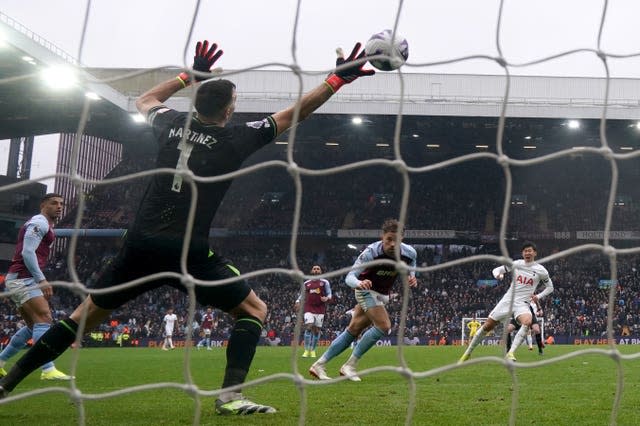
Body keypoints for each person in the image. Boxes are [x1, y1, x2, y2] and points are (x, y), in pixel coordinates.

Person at [0, 38, 374, 415]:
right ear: (229, 111)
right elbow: (295, 114)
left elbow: (144, 100)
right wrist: (336, 81)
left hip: (139, 245)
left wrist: (187, 75)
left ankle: (6, 384)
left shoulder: (170, 124)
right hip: (187, 251)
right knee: (254, 311)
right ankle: (230, 396)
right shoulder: (233, 140)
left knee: (79, 319)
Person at [309, 219, 417, 381]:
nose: (392, 244)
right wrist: (360, 283)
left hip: (382, 294)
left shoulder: (409, 253)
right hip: (365, 291)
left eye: (396, 240)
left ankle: (319, 365)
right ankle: (350, 366)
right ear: (382, 237)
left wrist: (412, 276)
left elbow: (413, 264)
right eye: (389, 239)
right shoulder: (370, 253)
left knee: (353, 330)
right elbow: (349, 277)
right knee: (384, 326)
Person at [0, 193, 72, 381]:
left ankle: (0, 363)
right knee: (44, 318)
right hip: (24, 278)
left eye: (61, 203)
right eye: (54, 203)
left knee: (33, 326)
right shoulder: (39, 222)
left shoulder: (45, 224)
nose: (59, 206)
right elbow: (27, 252)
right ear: (43, 205)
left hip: (21, 278)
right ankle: (48, 369)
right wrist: (41, 279)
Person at [459, 241, 553, 363]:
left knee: (527, 321)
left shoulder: (541, 270)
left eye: (530, 251)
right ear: (522, 253)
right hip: (508, 300)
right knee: (488, 326)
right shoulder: (516, 264)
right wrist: (498, 275)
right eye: (525, 251)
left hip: (523, 304)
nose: (527, 253)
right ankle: (468, 353)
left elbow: (550, 287)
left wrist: (538, 296)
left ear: (535, 253)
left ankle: (511, 353)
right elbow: (496, 270)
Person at [294, 265, 332, 358]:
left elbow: (329, 294)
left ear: (320, 271)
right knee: (309, 326)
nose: (316, 270)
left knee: (316, 331)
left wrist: (327, 298)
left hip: (320, 309)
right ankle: (306, 350)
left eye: (318, 269)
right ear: (311, 271)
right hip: (309, 308)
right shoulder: (307, 283)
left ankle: (313, 350)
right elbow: (302, 295)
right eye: (314, 269)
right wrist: (298, 301)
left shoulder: (324, 282)